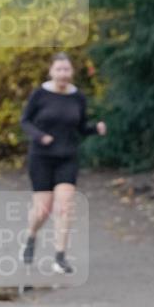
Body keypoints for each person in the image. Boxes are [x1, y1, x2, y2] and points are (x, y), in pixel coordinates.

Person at [20, 52, 106, 274]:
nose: (63, 74)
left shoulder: (78, 97)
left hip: (67, 156)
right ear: (51, 72)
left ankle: (60, 257)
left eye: (66, 70)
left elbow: (81, 126)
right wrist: (40, 136)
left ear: (72, 73)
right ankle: (30, 235)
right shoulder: (40, 94)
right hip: (41, 157)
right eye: (58, 70)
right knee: (43, 209)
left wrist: (95, 128)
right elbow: (25, 121)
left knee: (65, 206)